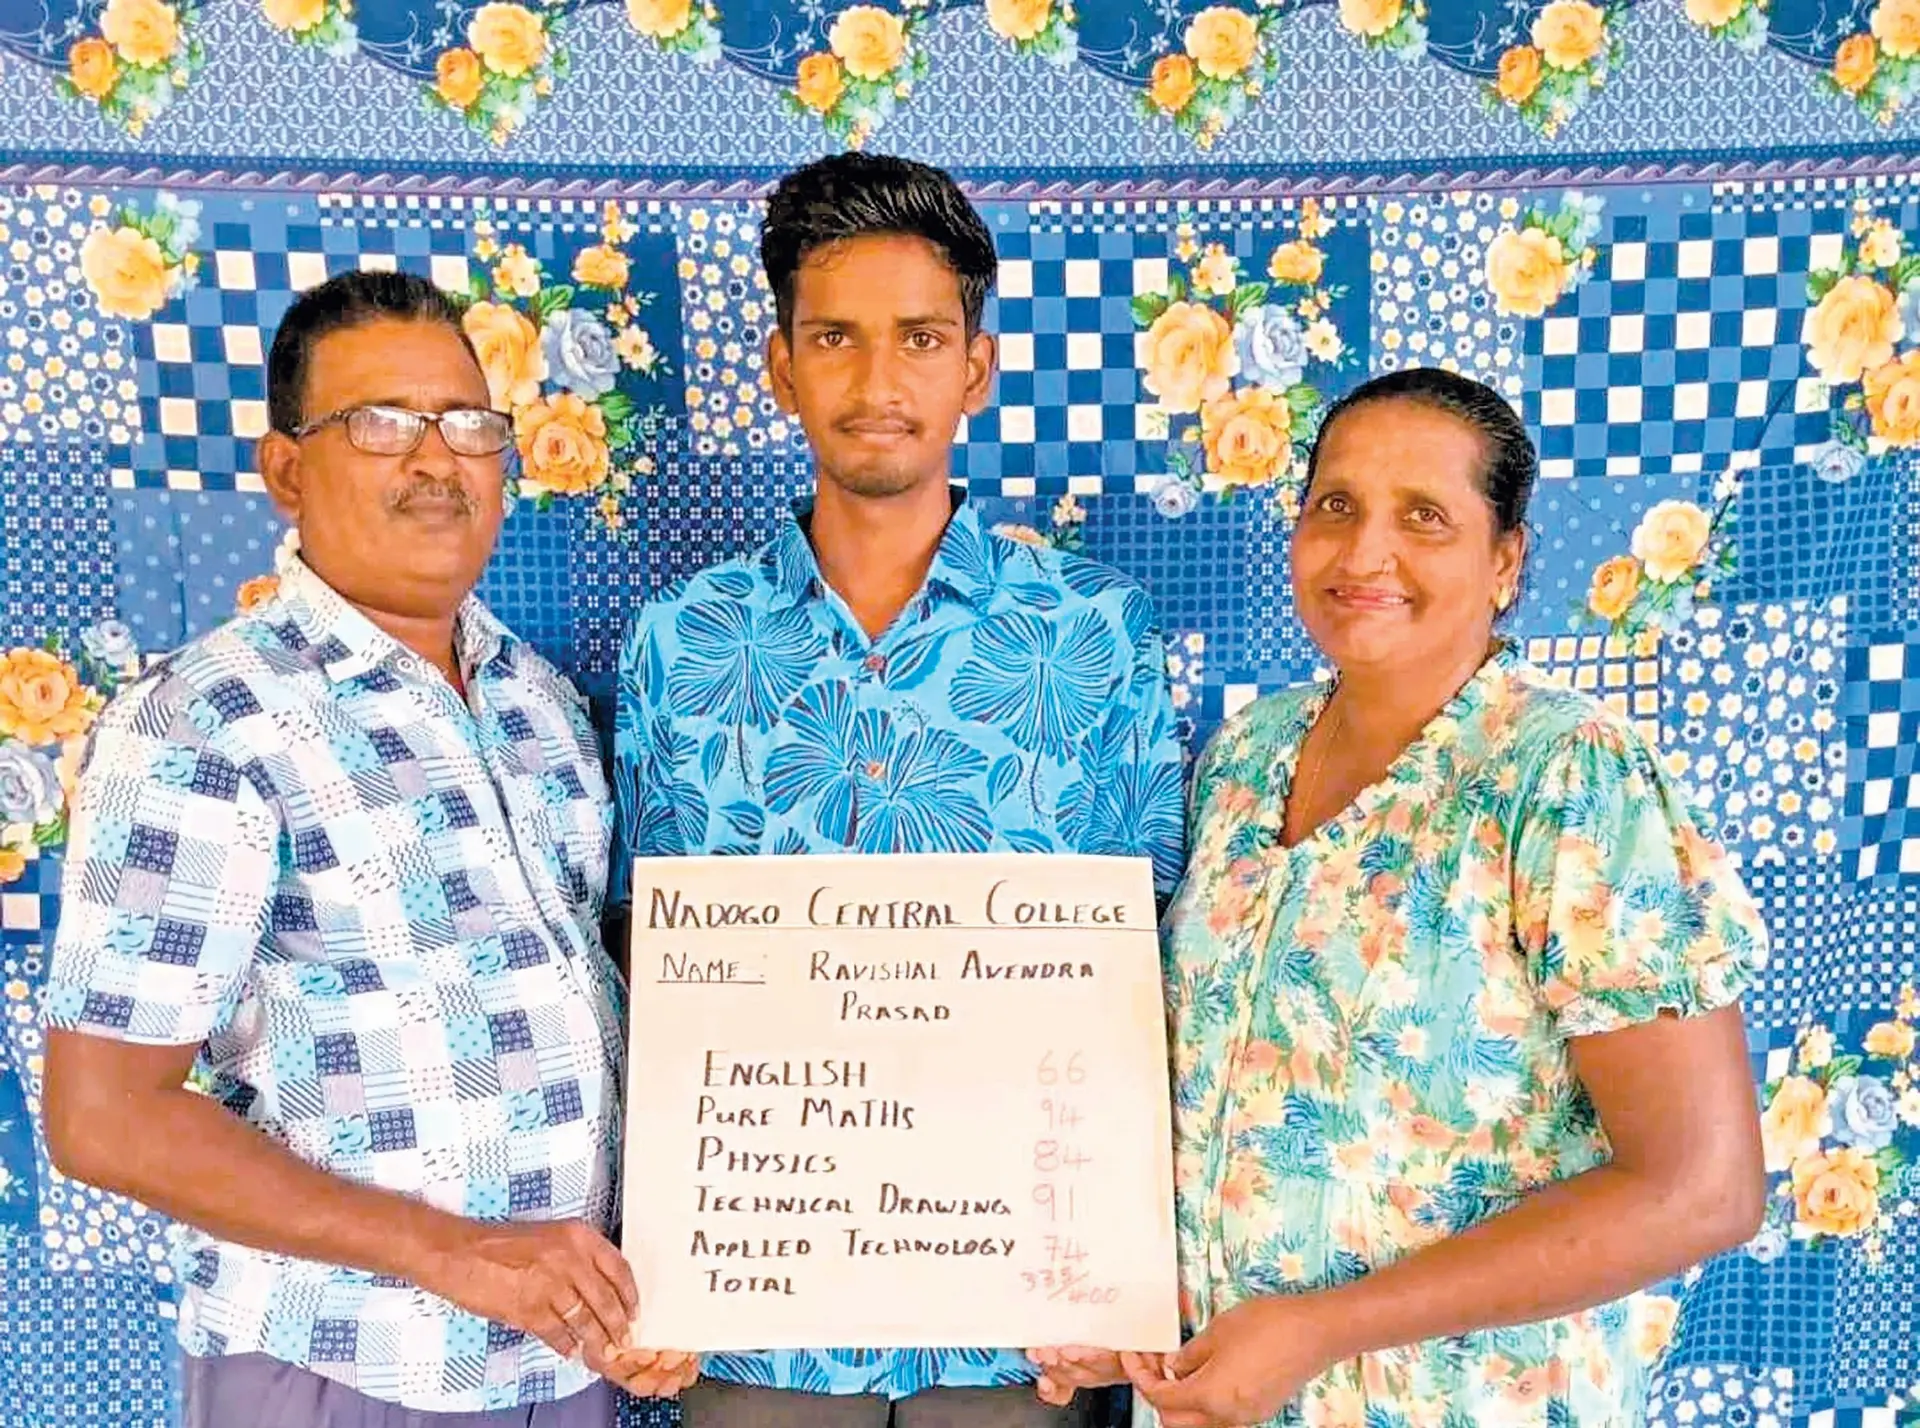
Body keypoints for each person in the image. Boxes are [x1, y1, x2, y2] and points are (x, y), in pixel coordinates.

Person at [1030, 368, 1769, 1427]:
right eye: (1336, 506)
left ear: (1505, 560)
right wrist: (1131, 1305)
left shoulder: (1567, 779)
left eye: (1423, 517)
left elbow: (1701, 1189)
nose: (1365, 552)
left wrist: (1321, 1328)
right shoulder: (1247, 757)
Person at [41, 270, 691, 1426]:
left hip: (561, 1371)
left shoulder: (538, 705)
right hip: (339, 1369)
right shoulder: (204, 718)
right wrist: (453, 1253)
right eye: (380, 424)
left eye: (469, 425)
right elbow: (104, 1115)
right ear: (287, 468)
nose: (436, 459)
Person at [612, 152, 1187, 1427]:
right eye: (835, 338)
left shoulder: (1097, 637)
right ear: (781, 364)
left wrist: (1128, 1277)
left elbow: (1150, 961)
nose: (878, 384)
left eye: (921, 338)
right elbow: (643, 957)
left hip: (1023, 1337)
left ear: (975, 367)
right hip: (753, 1329)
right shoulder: (678, 643)